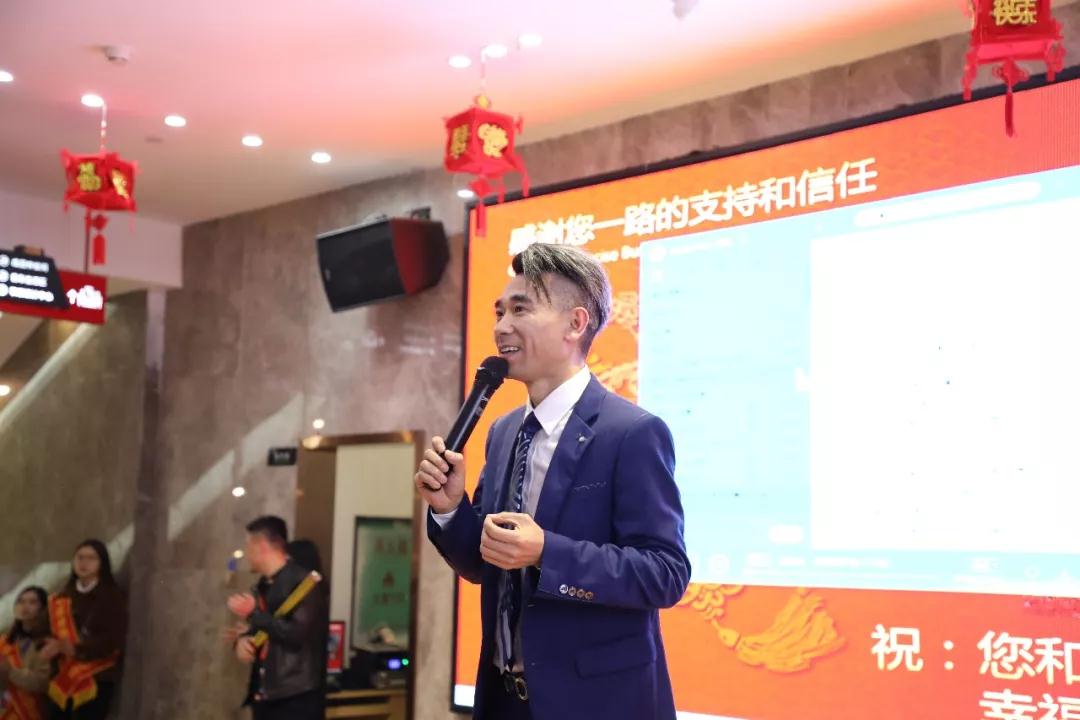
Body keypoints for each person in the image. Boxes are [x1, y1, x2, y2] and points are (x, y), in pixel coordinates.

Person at [416, 242, 690, 720]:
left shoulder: (631, 433)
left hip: (594, 705)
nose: (502, 326)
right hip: (503, 701)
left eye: (520, 309)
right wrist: (450, 509)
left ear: (576, 324)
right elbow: (484, 564)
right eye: (499, 311)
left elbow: (665, 574)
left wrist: (547, 552)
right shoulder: (503, 432)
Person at [227, 517, 328, 720]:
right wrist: (243, 641)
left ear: (261, 546)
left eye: (248, 546)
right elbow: (265, 629)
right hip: (266, 694)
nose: (246, 553)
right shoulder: (263, 585)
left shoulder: (304, 583)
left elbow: (295, 632)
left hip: (294, 697)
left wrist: (253, 614)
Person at [41, 540, 126, 720]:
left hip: (95, 678)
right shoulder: (62, 597)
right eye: (80, 557)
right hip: (62, 677)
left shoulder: (111, 596)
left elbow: (113, 639)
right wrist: (47, 645)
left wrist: (76, 649)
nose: (84, 563)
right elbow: (43, 630)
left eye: (91, 558)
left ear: (102, 563)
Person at [0, 586, 51, 719]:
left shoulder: (48, 642)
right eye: (21, 601)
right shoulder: (6, 640)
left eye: (32, 602)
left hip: (30, 710)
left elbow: (43, 682)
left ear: (43, 609)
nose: (25, 606)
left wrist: (11, 672)